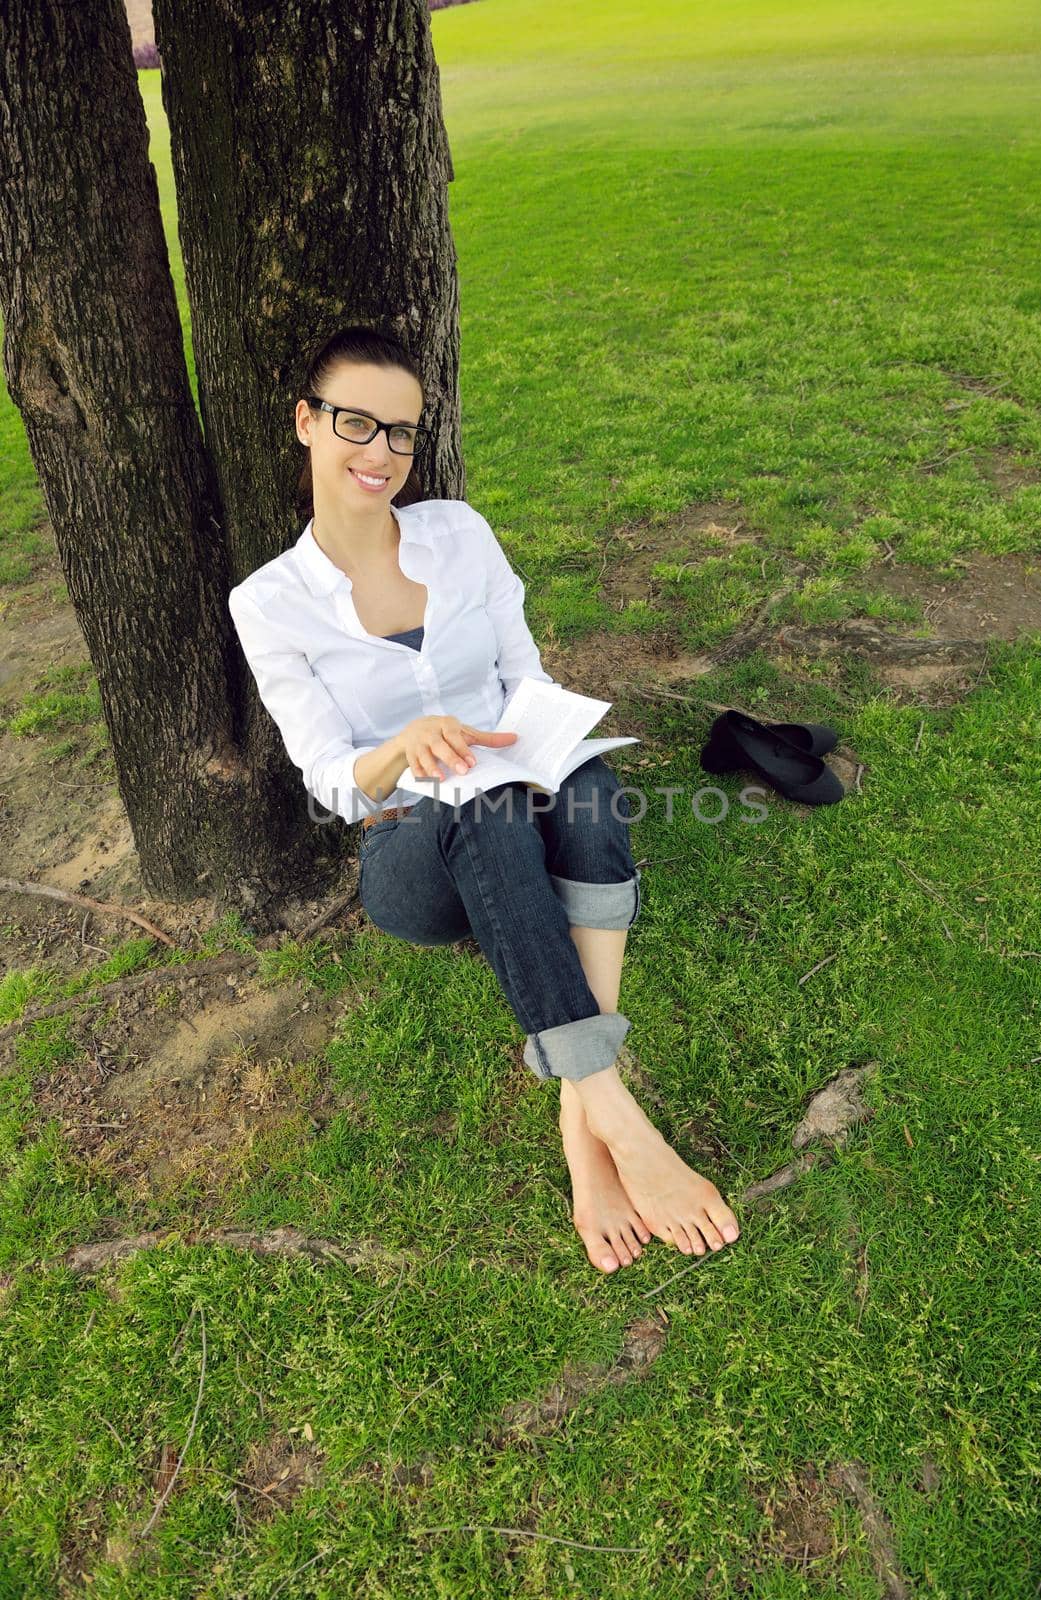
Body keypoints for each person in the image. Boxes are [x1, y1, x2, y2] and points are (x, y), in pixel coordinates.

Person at [228, 325, 740, 1274]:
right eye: (354, 424)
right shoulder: (269, 601)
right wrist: (400, 751)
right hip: (407, 854)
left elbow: (524, 673)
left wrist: (542, 737)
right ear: (306, 422)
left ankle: (583, 1111)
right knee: (474, 805)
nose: (378, 452)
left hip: (518, 791)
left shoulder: (456, 533)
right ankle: (621, 1122)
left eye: (400, 433)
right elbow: (329, 780)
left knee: (584, 778)